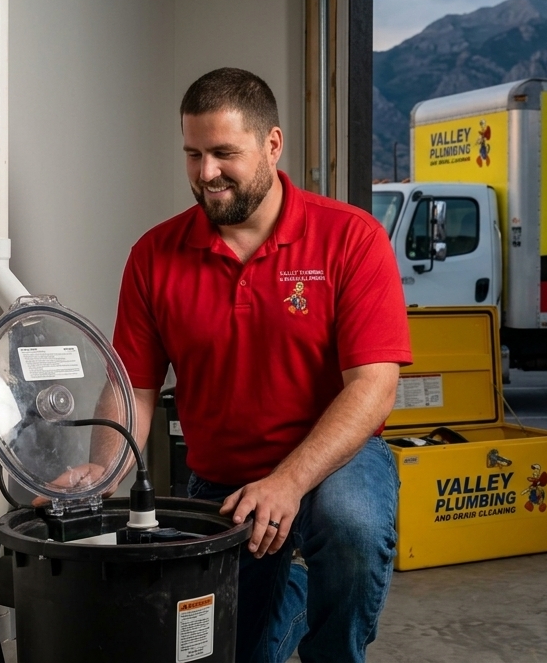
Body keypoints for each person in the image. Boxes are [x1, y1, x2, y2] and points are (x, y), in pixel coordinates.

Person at [112, 67, 411, 663]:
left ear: (272, 145)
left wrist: (289, 482)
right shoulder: (154, 255)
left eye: (225, 153)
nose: (205, 174)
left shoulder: (351, 238)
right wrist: (96, 478)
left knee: (351, 525)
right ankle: (295, 593)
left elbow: (374, 387)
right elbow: (133, 391)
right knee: (229, 654)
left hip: (334, 467)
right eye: (193, 154)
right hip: (222, 480)